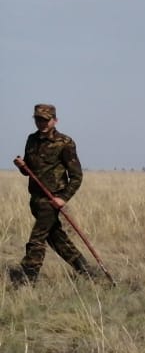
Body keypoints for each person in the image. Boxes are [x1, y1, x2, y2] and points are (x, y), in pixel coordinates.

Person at [10, 103, 97, 284]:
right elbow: (29, 170)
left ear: (55, 120)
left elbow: (76, 175)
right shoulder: (31, 140)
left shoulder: (64, 143)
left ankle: (26, 279)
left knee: (37, 239)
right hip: (35, 199)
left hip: (52, 200)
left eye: (45, 120)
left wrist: (62, 198)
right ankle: (87, 272)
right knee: (56, 238)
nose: (41, 123)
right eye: (38, 119)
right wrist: (21, 166)